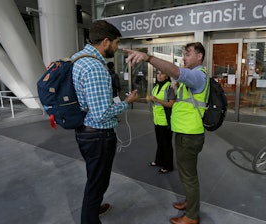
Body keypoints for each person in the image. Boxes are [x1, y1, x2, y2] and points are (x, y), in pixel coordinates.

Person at [125, 42, 208, 224]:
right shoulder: (191, 79)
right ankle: (190, 202)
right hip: (183, 131)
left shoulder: (198, 76)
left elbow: (176, 72)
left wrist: (148, 58)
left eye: (187, 54)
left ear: (199, 56)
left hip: (190, 134)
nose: (184, 58)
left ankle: (192, 216)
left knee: (189, 175)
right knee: (186, 173)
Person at [72, 20, 138, 224]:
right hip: (98, 135)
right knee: (98, 181)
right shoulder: (96, 68)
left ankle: (93, 207)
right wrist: (127, 102)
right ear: (106, 41)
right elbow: (101, 114)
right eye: (116, 43)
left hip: (84, 129)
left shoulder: (78, 58)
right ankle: (89, 219)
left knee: (95, 176)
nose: (117, 48)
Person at [148, 69, 176, 174]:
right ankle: (159, 160)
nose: (159, 76)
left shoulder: (169, 87)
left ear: (167, 75)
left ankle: (168, 165)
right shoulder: (156, 87)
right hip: (157, 119)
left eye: (162, 73)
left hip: (166, 121)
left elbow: (171, 104)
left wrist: (156, 100)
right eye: (158, 73)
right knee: (160, 142)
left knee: (166, 144)